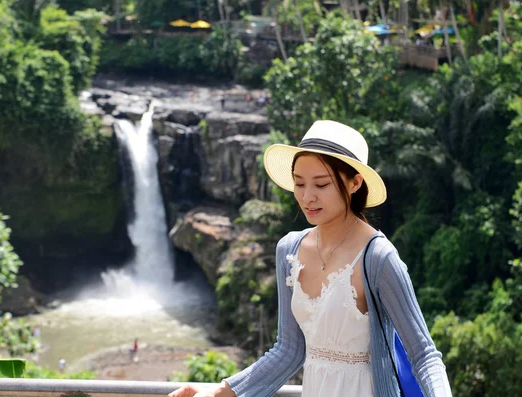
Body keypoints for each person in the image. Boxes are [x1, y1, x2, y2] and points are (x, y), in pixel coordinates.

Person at [169, 120, 452, 397]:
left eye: (321, 184)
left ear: (354, 183)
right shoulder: (289, 249)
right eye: (299, 183)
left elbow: (424, 354)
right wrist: (222, 390)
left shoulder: (377, 257)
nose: (307, 197)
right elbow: (288, 350)